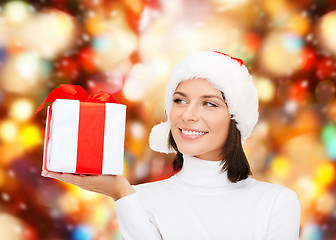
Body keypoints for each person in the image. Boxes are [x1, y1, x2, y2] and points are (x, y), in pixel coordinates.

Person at [42, 51, 301, 240]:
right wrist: (122, 195)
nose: (188, 115)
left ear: (235, 120)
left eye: (209, 103)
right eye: (179, 100)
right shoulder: (137, 200)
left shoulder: (276, 202)